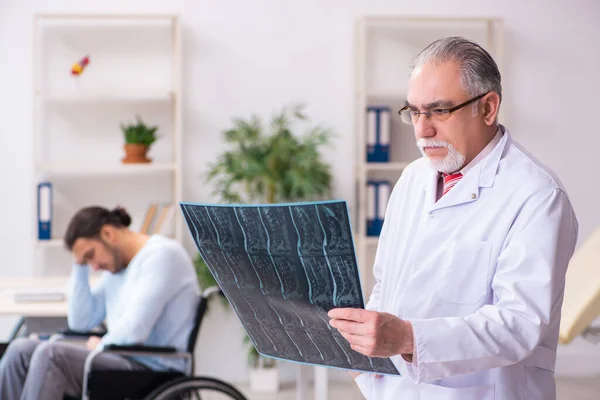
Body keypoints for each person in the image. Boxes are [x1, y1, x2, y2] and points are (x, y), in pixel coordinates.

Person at [328, 36, 579, 399]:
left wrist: (407, 338)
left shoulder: (537, 196)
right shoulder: (413, 179)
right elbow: (387, 283)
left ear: (488, 108)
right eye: (414, 112)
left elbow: (519, 324)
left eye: (439, 111)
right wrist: (364, 349)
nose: (422, 130)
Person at [0, 206, 200, 400]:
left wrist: (101, 345)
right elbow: (81, 321)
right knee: (20, 350)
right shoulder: (117, 269)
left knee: (51, 354)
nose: (94, 266)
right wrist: (79, 266)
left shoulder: (162, 256)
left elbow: (134, 331)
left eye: (90, 255)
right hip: (120, 358)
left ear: (108, 234)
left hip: (154, 368)